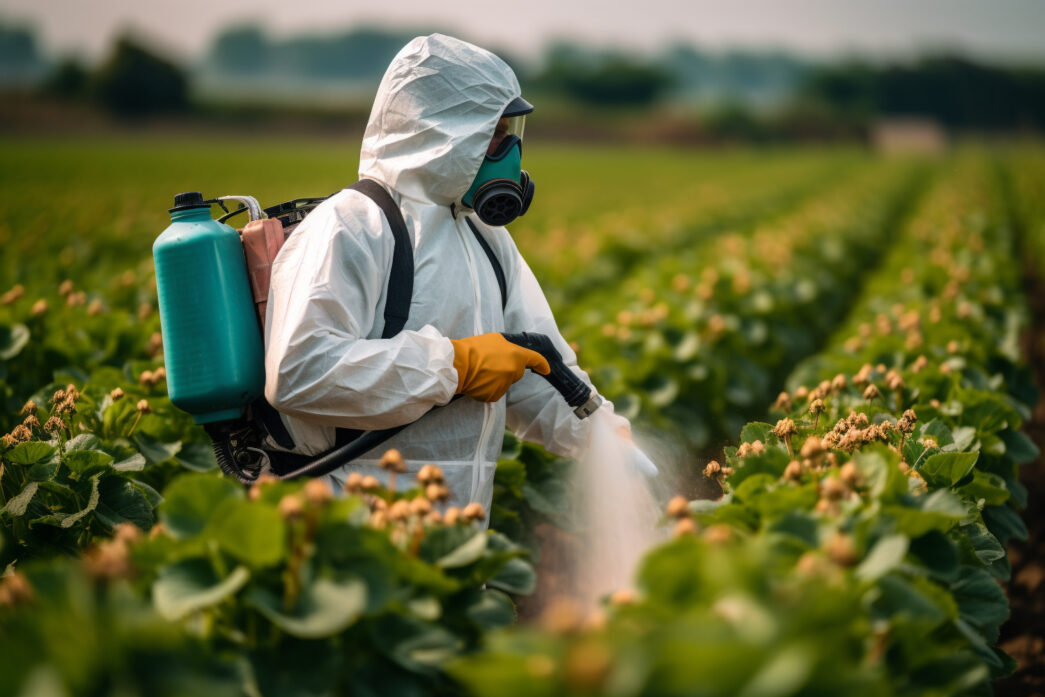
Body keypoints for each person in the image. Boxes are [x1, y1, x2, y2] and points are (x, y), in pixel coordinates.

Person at [264, 34, 647, 512]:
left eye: (512, 134)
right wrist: (453, 365)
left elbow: (538, 368)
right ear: (442, 133)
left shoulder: (484, 237)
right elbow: (300, 373)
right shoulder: (352, 225)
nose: (511, 152)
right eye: (495, 135)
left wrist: (602, 435)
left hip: (454, 530)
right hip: (350, 523)